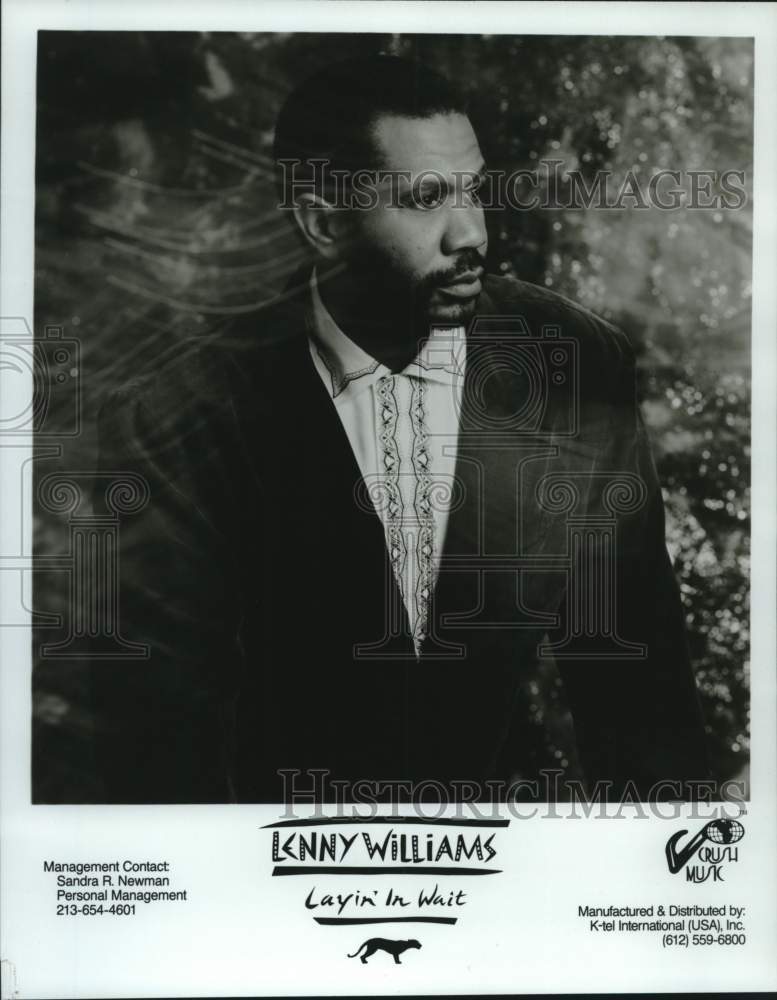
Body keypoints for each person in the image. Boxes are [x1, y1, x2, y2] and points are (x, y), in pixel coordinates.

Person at [90, 54, 709, 804]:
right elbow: (154, 737)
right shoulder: (186, 409)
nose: (471, 234)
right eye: (425, 199)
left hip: (503, 863)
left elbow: (638, 694)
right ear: (323, 223)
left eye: (474, 190)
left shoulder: (574, 364)